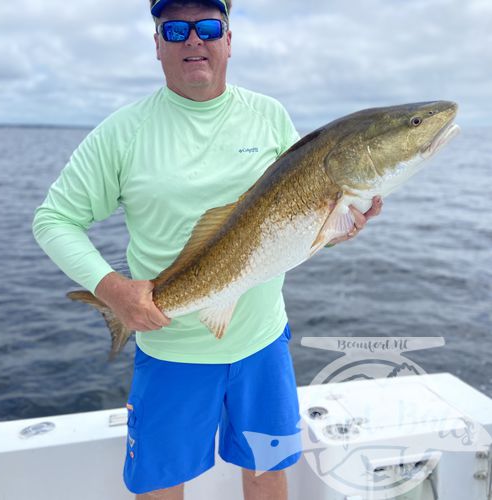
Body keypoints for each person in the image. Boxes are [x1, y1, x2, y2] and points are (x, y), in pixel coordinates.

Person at [32, 0, 383, 498]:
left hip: (262, 344)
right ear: (157, 45)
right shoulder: (122, 132)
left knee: (267, 472)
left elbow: (290, 221)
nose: (192, 39)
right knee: (162, 482)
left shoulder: (269, 115)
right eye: (175, 29)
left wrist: (336, 226)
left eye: (207, 26)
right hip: (171, 349)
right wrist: (113, 290)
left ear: (229, 39)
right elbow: (54, 219)